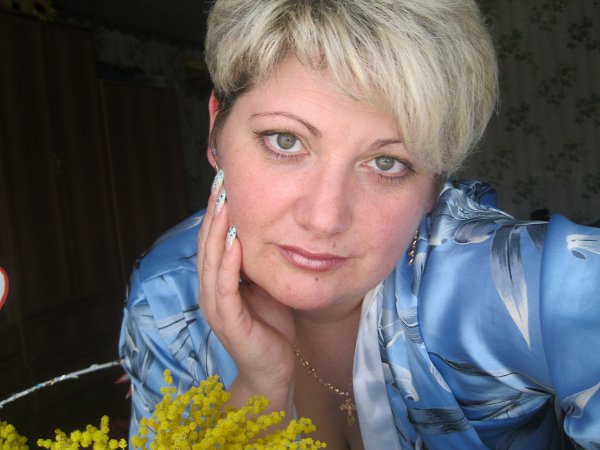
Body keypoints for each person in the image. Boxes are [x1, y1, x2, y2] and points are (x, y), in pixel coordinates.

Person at [118, 0, 600, 448]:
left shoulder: (514, 287)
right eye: (285, 141)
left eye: (387, 164)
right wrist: (259, 390)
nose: (324, 218)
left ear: (435, 185)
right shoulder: (167, 297)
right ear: (216, 131)